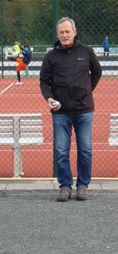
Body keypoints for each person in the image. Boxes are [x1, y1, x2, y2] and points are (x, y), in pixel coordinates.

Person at [40, 17, 102, 202]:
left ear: (75, 32)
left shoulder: (87, 52)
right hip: (61, 112)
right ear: (57, 34)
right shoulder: (51, 56)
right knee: (61, 150)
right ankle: (65, 186)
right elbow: (44, 81)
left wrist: (87, 90)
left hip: (84, 110)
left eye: (68, 31)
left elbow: (97, 72)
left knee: (85, 150)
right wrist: (49, 97)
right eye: (61, 32)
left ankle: (83, 185)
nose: (65, 35)